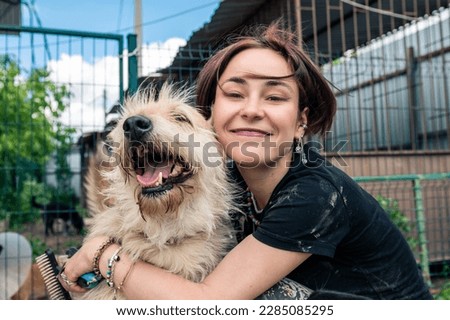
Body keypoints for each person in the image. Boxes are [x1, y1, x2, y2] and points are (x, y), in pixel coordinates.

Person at [60, 22, 433, 300]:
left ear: (302, 121)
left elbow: (211, 303)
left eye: (274, 97)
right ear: (213, 120)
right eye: (235, 93)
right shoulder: (229, 181)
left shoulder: (316, 194)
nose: (251, 110)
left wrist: (101, 253)